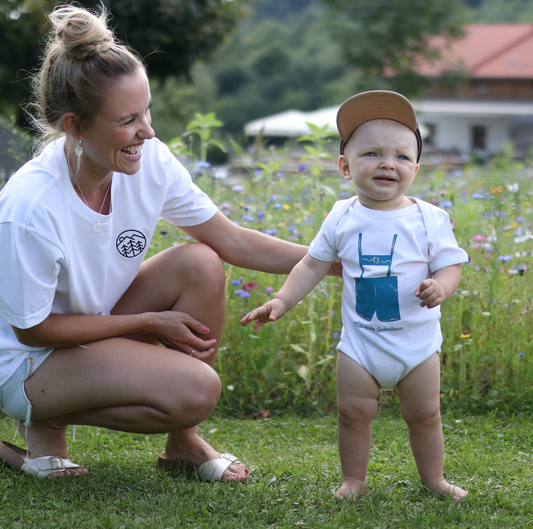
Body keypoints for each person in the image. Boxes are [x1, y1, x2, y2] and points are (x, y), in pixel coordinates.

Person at [0, 4, 330, 479]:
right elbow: (32, 330)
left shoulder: (148, 160)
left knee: (201, 261)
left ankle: (183, 445)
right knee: (196, 390)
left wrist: (333, 258)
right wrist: (148, 321)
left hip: (93, 328)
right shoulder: (30, 207)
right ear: (73, 125)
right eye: (127, 119)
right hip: (28, 361)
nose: (148, 131)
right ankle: (43, 423)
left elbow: (232, 240)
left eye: (147, 110)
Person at [241, 90, 470, 500]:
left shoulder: (428, 218)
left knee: (424, 414)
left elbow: (450, 265)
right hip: (361, 343)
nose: (388, 163)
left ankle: (434, 479)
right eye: (373, 154)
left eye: (402, 156)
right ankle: (354, 480)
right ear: (346, 167)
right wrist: (282, 300)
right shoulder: (342, 215)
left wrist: (442, 286)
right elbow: (312, 264)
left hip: (416, 344)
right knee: (352, 413)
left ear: (415, 169)